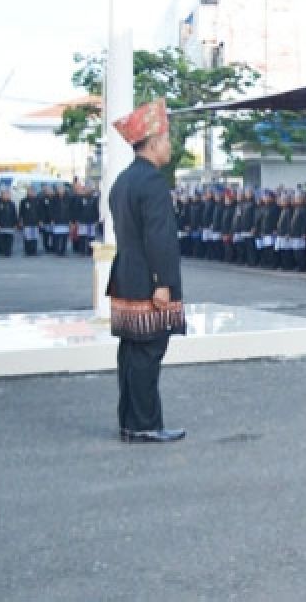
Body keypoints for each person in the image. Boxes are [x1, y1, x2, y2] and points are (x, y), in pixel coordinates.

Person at [105, 99, 186, 444]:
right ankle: (144, 424)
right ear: (152, 143)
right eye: (166, 140)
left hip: (126, 276)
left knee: (131, 353)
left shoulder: (123, 181)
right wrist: (163, 282)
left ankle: (130, 422)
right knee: (147, 354)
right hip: (148, 282)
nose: (170, 147)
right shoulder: (152, 181)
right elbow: (159, 237)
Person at [48, 183, 74, 256]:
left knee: (64, 237)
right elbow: (51, 209)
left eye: (62, 189)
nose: (61, 191)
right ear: (57, 190)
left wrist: (71, 220)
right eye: (59, 189)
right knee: (56, 236)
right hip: (56, 220)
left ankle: (63, 250)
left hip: (66, 220)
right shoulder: (54, 198)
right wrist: (52, 219)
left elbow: (71, 210)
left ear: (64, 190)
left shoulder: (69, 197)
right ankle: (57, 250)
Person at [0, 189, 18, 256]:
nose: (8, 196)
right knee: (2, 239)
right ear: (2, 195)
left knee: (10, 239)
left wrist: (15, 223)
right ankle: (3, 251)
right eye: (6, 194)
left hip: (10, 225)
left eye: (8, 194)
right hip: (1, 224)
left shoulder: (12, 203)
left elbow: (14, 214)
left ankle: (8, 252)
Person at [19, 186, 41, 256]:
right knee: (27, 237)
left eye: (32, 191)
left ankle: (34, 251)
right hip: (27, 222)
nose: (31, 193)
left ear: (34, 192)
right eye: (29, 191)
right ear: (27, 192)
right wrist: (20, 221)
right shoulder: (23, 201)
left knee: (35, 237)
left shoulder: (38, 200)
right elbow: (21, 212)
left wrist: (40, 220)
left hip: (36, 222)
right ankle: (27, 251)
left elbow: (41, 212)